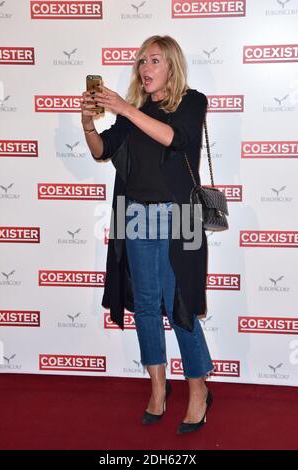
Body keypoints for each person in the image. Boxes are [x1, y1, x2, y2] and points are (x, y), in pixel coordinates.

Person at [81, 35, 215, 435]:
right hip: (135, 217)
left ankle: (198, 390)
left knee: (181, 306)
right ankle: (158, 387)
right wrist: (89, 122)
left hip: (181, 217)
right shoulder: (133, 111)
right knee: (144, 306)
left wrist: (123, 107)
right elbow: (102, 150)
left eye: (154, 60)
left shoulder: (192, 102)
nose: (145, 68)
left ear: (171, 66)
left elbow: (178, 139)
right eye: (142, 62)